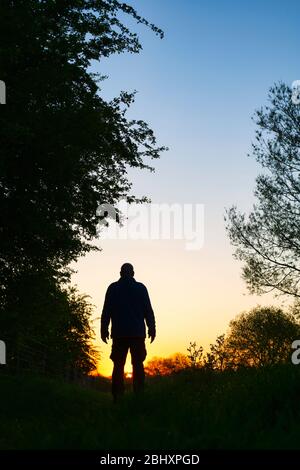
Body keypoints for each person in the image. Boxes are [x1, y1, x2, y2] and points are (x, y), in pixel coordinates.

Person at [101, 263, 156, 402]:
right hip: (137, 334)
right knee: (138, 365)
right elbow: (148, 311)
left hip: (119, 334)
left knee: (118, 366)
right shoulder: (141, 288)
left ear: (120, 273)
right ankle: (139, 396)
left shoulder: (113, 288)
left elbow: (106, 310)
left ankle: (118, 398)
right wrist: (152, 328)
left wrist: (104, 329)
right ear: (133, 273)